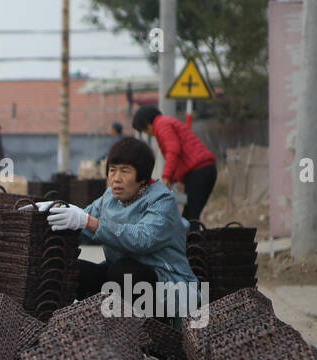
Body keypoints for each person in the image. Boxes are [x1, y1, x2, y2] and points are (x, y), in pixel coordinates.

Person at [45, 136, 198, 326]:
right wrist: (53, 213)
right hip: (120, 278)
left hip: (166, 284)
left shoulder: (162, 200)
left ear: (142, 177)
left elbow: (142, 239)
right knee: (76, 271)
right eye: (112, 170)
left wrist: (89, 222)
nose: (116, 178)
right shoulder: (109, 197)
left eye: (125, 171)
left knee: (123, 271)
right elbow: (83, 221)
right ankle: (92, 325)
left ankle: (153, 330)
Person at [132, 105, 217, 222]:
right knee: (190, 214)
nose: (148, 133)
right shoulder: (166, 122)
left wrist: (166, 178)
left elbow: (173, 151)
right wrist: (175, 180)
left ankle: (193, 239)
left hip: (199, 171)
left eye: (145, 130)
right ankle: (193, 238)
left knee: (191, 217)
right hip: (203, 169)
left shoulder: (161, 125)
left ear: (147, 123)